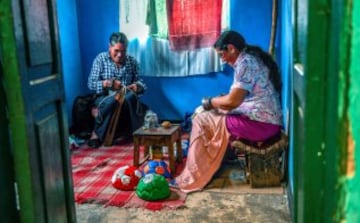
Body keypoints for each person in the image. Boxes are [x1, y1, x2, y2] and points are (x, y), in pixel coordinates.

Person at [172, 30, 283, 193]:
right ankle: (214, 161)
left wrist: (209, 102)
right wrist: (220, 102)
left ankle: (194, 176)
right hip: (266, 121)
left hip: (262, 125)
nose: (222, 60)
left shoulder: (245, 63)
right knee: (214, 114)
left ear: (231, 48)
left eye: (221, 54)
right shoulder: (249, 60)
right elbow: (239, 98)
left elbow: (232, 101)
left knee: (201, 120)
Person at [87, 32, 147, 148]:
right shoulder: (101, 59)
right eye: (116, 51)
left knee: (130, 97)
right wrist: (107, 83)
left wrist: (138, 86)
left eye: (123, 51)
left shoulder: (132, 61)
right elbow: (91, 84)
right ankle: (97, 133)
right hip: (104, 97)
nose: (120, 55)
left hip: (126, 98)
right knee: (114, 100)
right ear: (109, 47)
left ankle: (137, 134)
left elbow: (141, 83)